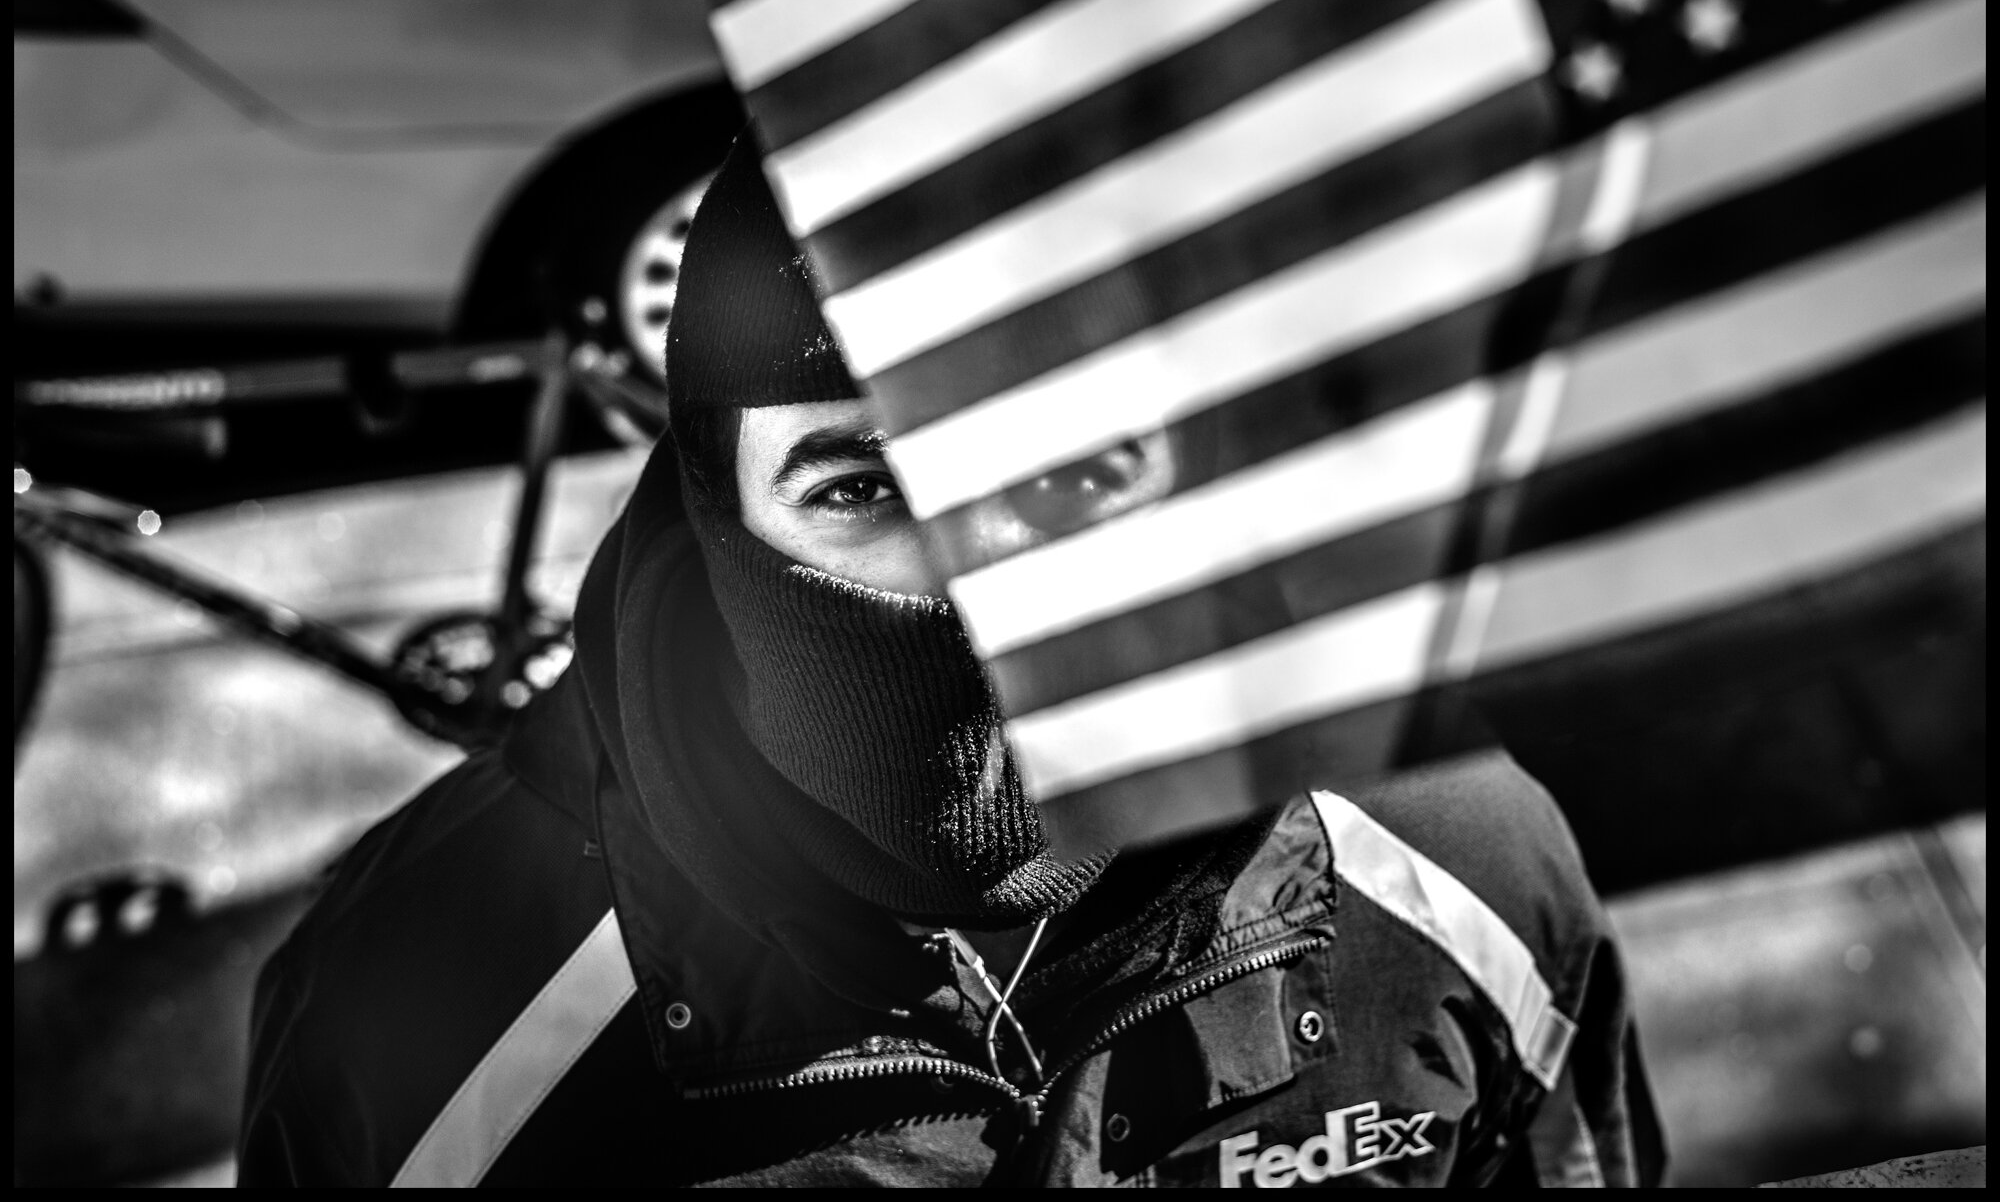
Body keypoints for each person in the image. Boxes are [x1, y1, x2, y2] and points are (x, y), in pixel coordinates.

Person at [237, 137, 1665, 1187]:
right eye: (858, 487)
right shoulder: (421, 1002)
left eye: (1067, 477)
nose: (973, 583)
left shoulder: (1450, 855)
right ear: (711, 507)